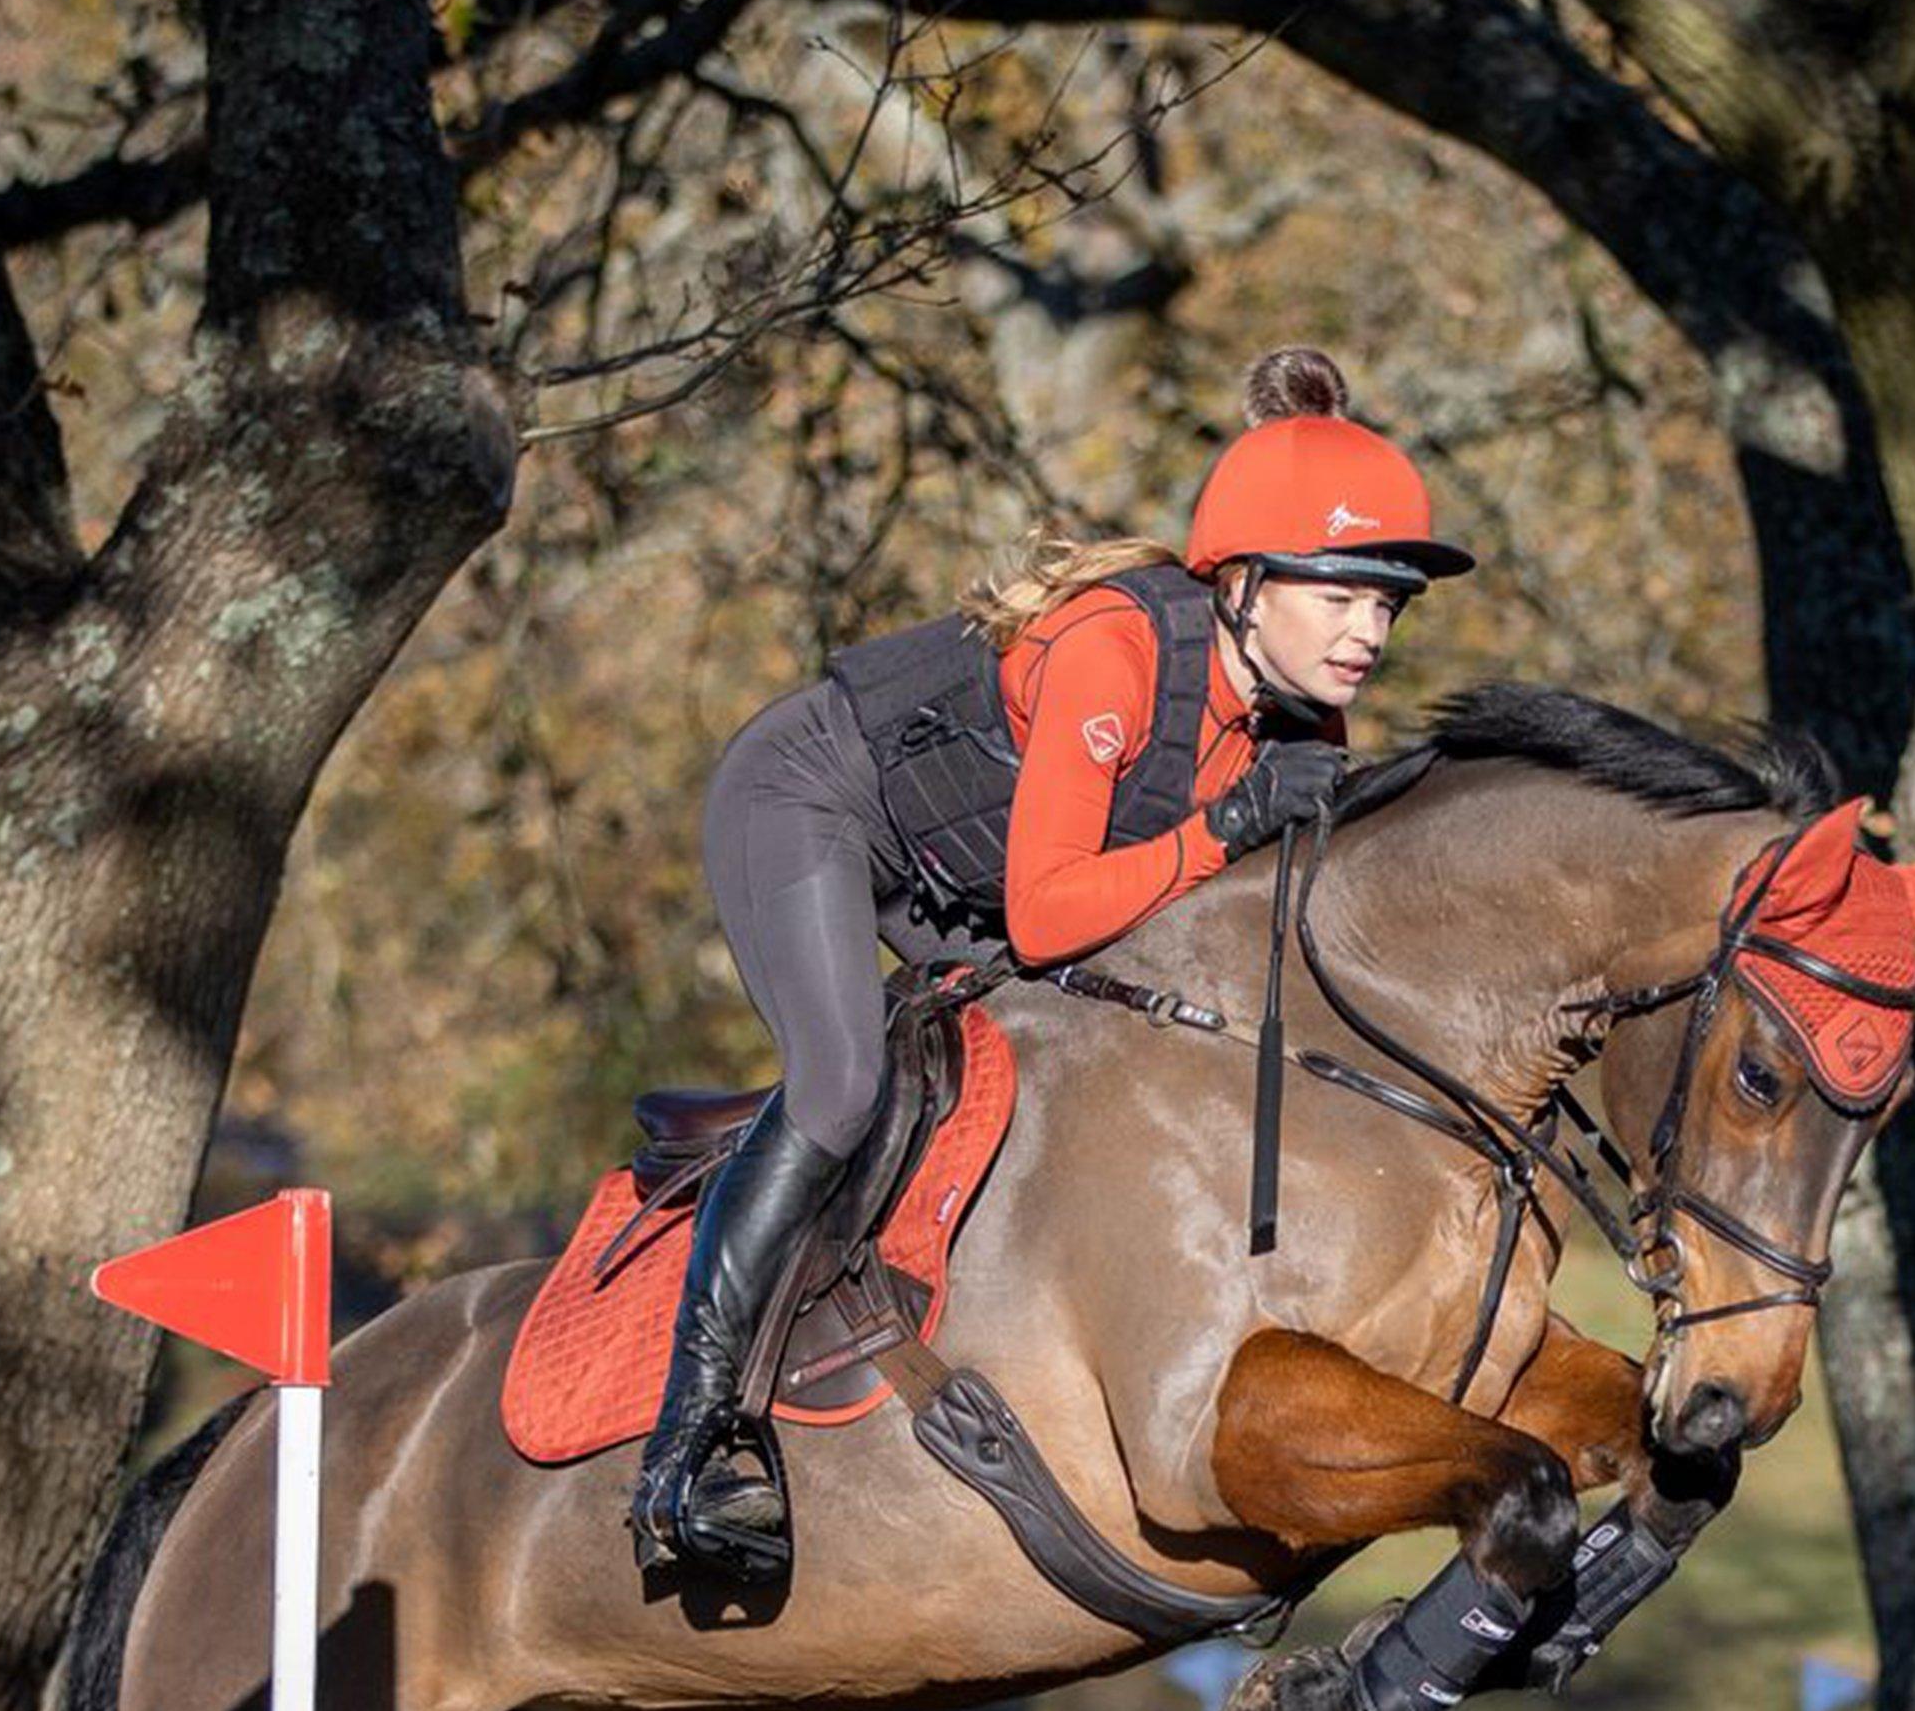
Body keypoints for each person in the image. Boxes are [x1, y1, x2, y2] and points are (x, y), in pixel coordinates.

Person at [628, 348, 1472, 1587]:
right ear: (1242, 583)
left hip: (956, 870)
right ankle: (694, 1439)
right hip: (815, 802)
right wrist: (1226, 829)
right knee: (841, 1084)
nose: (1370, 633)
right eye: (1341, 596)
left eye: (1390, 605)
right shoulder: (1113, 650)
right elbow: (1047, 913)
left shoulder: (1300, 717)